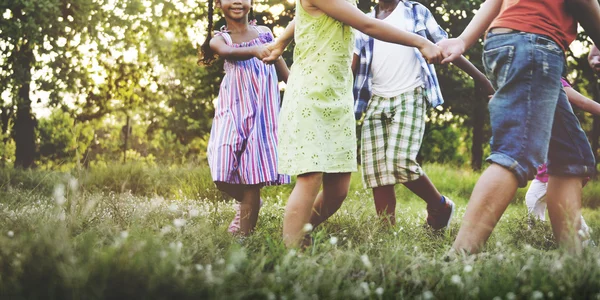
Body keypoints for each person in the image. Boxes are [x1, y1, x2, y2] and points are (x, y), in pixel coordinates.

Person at [263, 0, 444, 247]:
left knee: (337, 190)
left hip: (337, 97)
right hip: (310, 95)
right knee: (311, 176)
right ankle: (290, 251)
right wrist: (421, 41)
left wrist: (280, 42)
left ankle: (301, 235)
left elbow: (301, 18)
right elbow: (368, 25)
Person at [438, 0, 599, 254]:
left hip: (512, 41)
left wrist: (463, 40)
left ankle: (574, 259)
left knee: (571, 156)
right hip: (535, 43)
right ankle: (459, 258)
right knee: (517, 150)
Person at [352, 0, 495, 229]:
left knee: (400, 161)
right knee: (378, 173)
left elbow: (448, 47)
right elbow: (352, 65)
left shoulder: (415, 12)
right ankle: (385, 232)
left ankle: (440, 205)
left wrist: (483, 81)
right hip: (375, 100)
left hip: (411, 93)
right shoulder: (363, 21)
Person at [199, 0, 291, 236]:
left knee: (252, 178)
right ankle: (250, 202)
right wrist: (254, 50)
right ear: (218, 3)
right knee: (220, 170)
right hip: (232, 113)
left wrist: (296, 86)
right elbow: (230, 53)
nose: (238, 0)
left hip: (262, 115)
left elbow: (282, 70)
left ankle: (244, 236)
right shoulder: (220, 39)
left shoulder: (265, 34)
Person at [526, 78, 600, 246]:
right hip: (546, 157)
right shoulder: (526, 79)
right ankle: (539, 238)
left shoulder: (553, 78)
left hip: (562, 154)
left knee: (562, 204)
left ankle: (584, 242)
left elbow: (582, 101)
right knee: (534, 198)